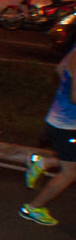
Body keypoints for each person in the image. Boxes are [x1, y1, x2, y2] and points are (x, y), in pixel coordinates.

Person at [21, 45, 76, 226]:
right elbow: (75, 96)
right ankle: (33, 207)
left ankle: (41, 163)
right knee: (70, 173)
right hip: (67, 125)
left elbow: (59, 69)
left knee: (70, 160)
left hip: (60, 117)